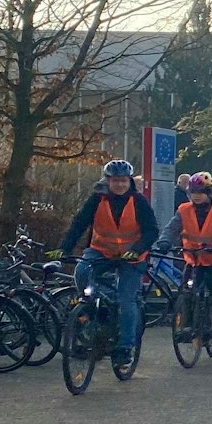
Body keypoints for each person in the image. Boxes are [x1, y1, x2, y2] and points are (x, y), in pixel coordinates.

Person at [58, 159, 159, 371]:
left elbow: (151, 231)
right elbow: (80, 223)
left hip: (132, 257)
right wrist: (64, 248)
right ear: (108, 181)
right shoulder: (97, 199)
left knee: (126, 300)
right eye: (115, 181)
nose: (119, 185)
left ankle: (124, 349)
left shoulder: (139, 201)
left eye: (123, 181)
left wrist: (138, 249)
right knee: (82, 271)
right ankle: (99, 309)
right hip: (101, 252)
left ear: (129, 181)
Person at [153, 172, 212, 344]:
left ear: (208, 193)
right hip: (194, 258)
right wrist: (164, 242)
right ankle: (189, 326)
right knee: (188, 291)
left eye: (200, 192)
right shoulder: (184, 210)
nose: (196, 196)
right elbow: (172, 228)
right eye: (193, 192)